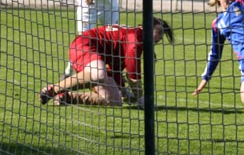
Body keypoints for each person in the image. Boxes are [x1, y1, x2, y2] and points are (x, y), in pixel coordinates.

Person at [39, 17, 174, 106]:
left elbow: (116, 70)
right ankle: (53, 90)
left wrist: (125, 93)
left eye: (159, 39)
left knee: (114, 101)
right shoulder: (135, 40)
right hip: (83, 45)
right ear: (145, 29)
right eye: (157, 36)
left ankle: (66, 97)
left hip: (96, 60)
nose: (157, 41)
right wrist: (140, 97)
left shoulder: (135, 40)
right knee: (99, 74)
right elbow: (133, 73)